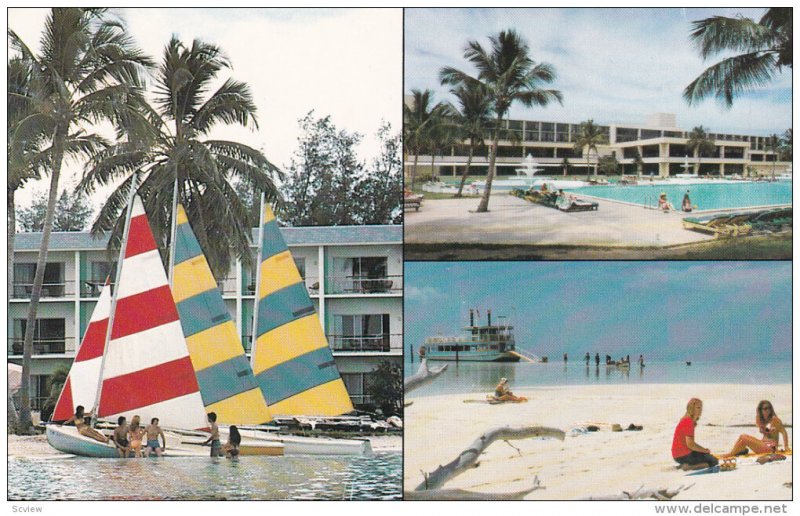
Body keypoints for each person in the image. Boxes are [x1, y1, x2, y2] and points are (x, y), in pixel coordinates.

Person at [724, 401, 789, 457]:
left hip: (771, 448)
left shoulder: (774, 419)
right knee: (742, 436)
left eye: (769, 408)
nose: (768, 410)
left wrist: (786, 447)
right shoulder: (763, 420)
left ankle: (731, 454)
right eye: (765, 408)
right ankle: (736, 451)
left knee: (744, 438)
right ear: (761, 410)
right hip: (764, 444)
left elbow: (784, 432)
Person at [671, 398, 718, 470]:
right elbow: (690, 444)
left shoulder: (686, 420)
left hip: (677, 455)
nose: (701, 410)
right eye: (698, 408)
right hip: (683, 455)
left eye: (701, 407)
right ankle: (689, 467)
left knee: (706, 455)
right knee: (714, 461)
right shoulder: (688, 421)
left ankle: (685, 465)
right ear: (691, 409)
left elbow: (689, 444)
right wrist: (704, 450)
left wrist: (703, 450)